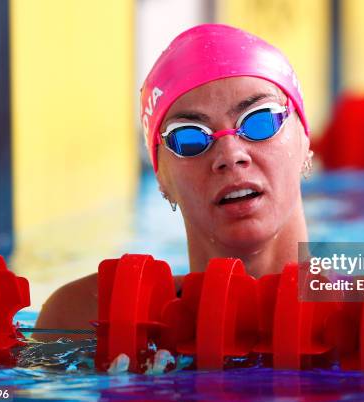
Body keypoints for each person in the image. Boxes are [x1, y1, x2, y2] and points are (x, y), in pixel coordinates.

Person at [34, 24, 313, 340]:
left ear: (305, 137)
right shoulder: (83, 320)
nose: (230, 155)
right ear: (160, 176)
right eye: (190, 138)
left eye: (260, 120)